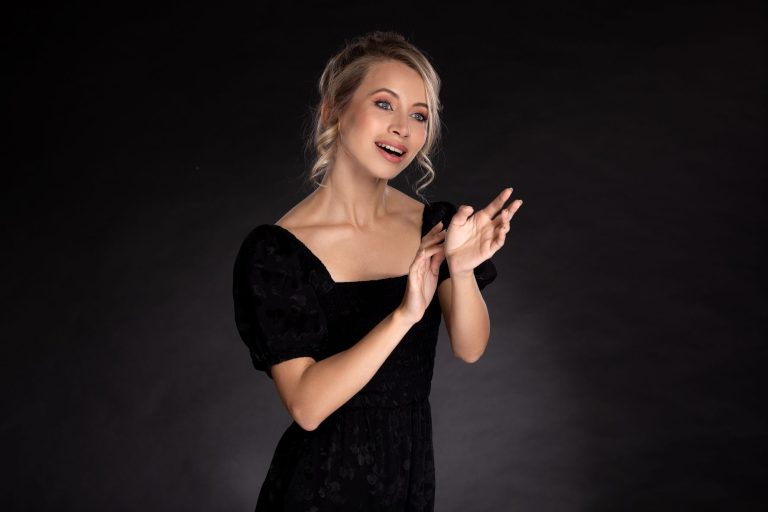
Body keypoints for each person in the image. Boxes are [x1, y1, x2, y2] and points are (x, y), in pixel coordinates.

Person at [232, 30, 523, 511]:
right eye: (384, 104)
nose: (402, 128)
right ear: (333, 111)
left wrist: (462, 270)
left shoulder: (436, 225)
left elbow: (470, 348)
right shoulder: (276, 253)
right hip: (317, 490)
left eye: (419, 115)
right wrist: (404, 315)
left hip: (408, 482)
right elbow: (307, 407)